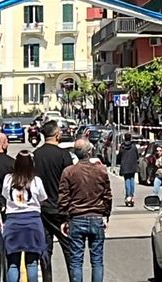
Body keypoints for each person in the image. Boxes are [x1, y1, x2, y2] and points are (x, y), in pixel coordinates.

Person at [58, 139, 111, 282]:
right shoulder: (100, 170)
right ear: (89, 152)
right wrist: (106, 215)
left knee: (76, 260)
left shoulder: (69, 172)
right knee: (97, 260)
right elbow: (107, 196)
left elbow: (63, 197)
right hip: (96, 217)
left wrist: (64, 218)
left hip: (76, 218)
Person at [34, 121, 74, 275]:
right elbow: (70, 182)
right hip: (61, 209)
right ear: (57, 135)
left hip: (42, 208)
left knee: (45, 250)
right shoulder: (63, 155)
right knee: (69, 249)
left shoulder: (36, 155)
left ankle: (47, 278)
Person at [2, 151, 49, 282]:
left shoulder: (8, 179)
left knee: (12, 262)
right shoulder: (36, 181)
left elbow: (5, 196)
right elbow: (42, 198)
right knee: (32, 262)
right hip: (33, 222)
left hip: (13, 222)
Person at [115, 134, 139, 207]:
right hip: (132, 165)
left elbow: (119, 156)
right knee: (132, 180)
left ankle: (128, 196)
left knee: (127, 180)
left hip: (125, 166)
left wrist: (118, 161)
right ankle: (131, 195)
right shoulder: (134, 146)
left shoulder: (122, 147)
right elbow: (137, 155)